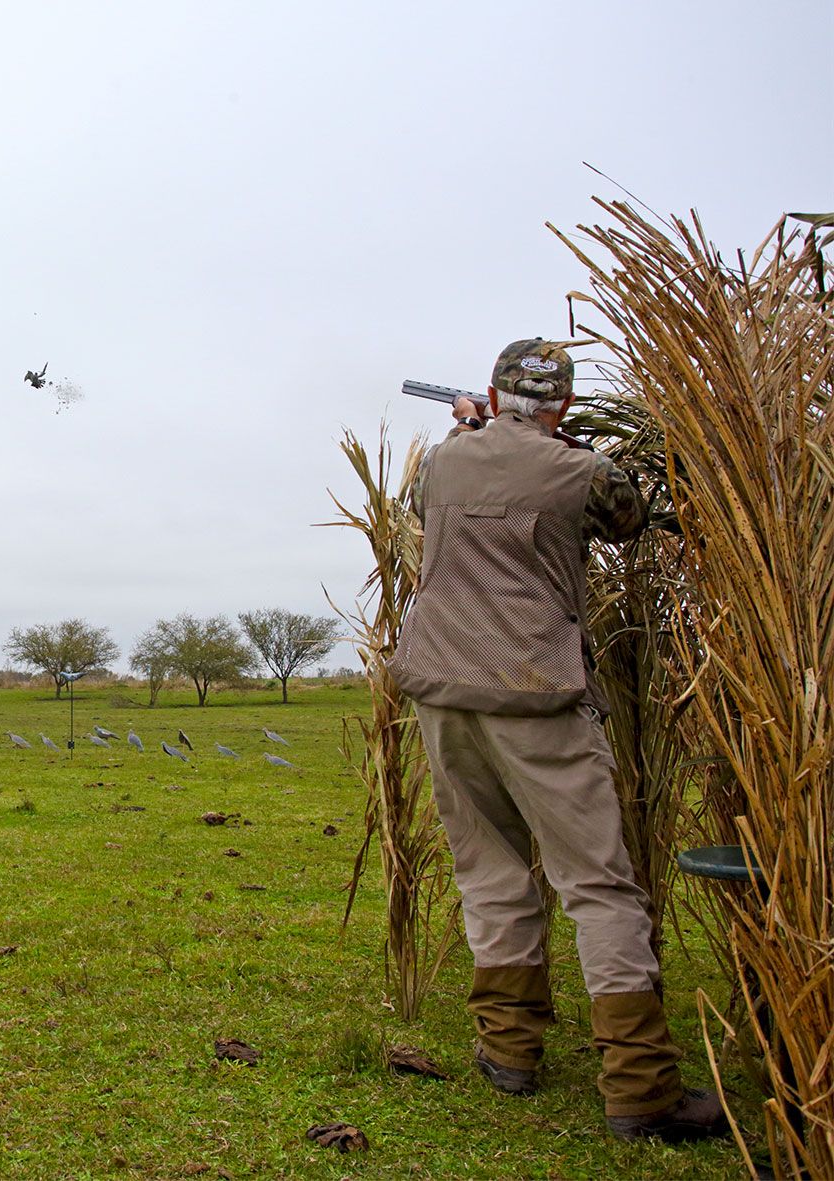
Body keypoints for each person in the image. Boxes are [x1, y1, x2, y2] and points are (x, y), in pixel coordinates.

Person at [387, 339, 729, 1142]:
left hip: (441, 691)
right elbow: (631, 517)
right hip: (536, 696)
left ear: (496, 395)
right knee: (600, 888)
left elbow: (422, 509)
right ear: (564, 405)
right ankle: (641, 1087)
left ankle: (508, 1052)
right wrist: (542, 442)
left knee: (491, 871)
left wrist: (473, 432)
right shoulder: (581, 470)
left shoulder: (442, 461)